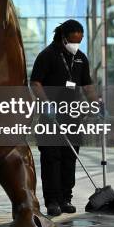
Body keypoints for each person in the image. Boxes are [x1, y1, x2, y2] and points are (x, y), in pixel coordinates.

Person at [30, 19, 99, 216]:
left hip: (72, 116)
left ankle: (65, 198)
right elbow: (35, 83)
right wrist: (46, 104)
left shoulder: (80, 58)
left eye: (80, 40)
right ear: (63, 38)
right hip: (51, 117)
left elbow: (87, 86)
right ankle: (52, 201)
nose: (76, 45)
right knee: (52, 158)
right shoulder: (47, 56)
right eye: (73, 41)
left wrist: (97, 105)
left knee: (70, 157)